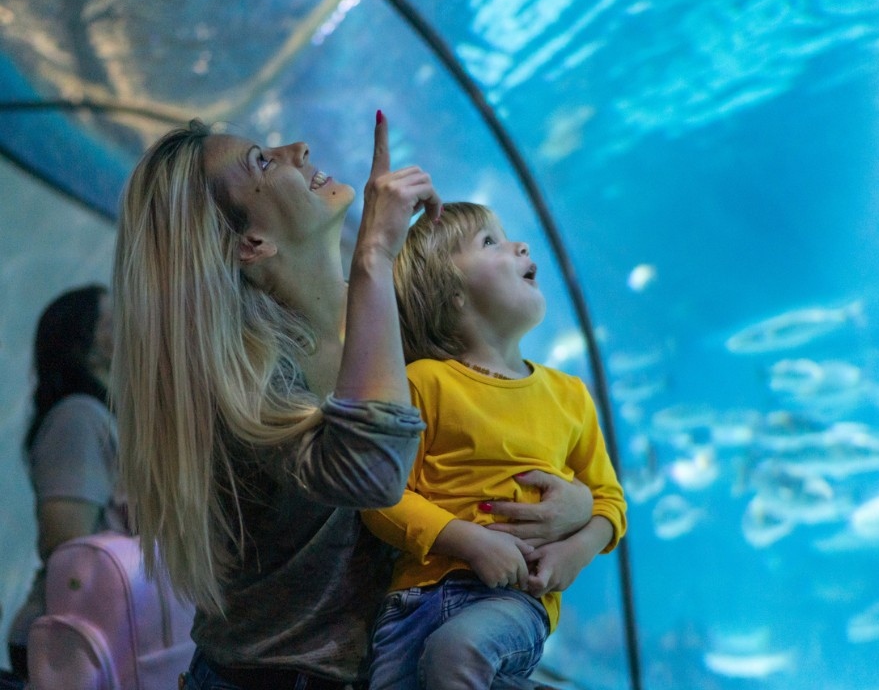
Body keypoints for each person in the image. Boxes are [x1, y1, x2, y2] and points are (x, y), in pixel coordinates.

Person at [111, 116, 592, 690]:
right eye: (263, 162)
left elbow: (491, 438)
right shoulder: (254, 379)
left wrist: (581, 508)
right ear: (249, 242)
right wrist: (375, 255)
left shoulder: (391, 323)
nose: (299, 147)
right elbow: (374, 475)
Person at [361, 201, 628, 689]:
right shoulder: (423, 382)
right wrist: (468, 540)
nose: (520, 245)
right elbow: (381, 497)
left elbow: (609, 500)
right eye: (490, 241)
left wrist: (576, 552)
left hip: (513, 601)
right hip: (412, 605)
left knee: (458, 649)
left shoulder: (569, 395)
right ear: (452, 293)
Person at [6, 284, 127, 681]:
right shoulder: (78, 416)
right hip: (72, 646)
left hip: (89, 639)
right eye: (115, 319)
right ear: (85, 344)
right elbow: (65, 541)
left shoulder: (103, 416)